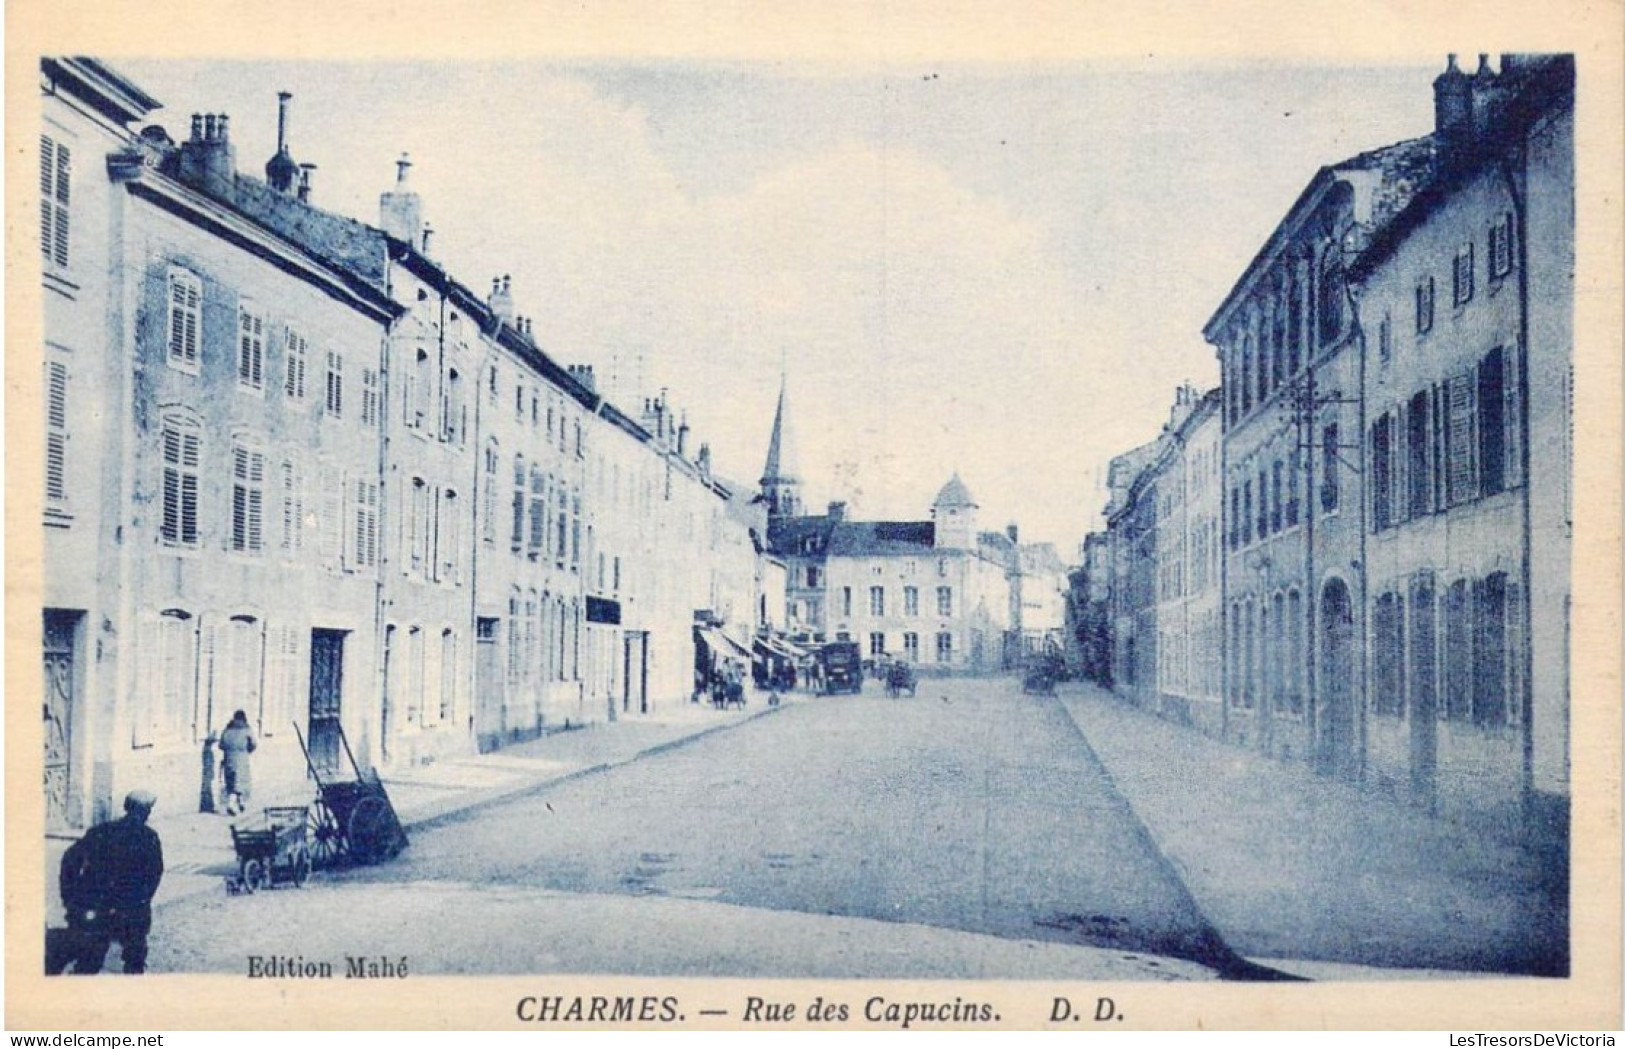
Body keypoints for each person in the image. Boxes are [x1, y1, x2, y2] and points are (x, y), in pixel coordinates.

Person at [56, 790, 164, 974]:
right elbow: (155, 873)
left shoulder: (101, 831)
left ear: (125, 807)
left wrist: (70, 896)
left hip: (98, 904)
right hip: (132, 908)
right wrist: (143, 898)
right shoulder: (149, 837)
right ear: (147, 812)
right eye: (147, 810)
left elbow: (70, 859)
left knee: (89, 961)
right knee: (134, 960)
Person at [217, 710, 257, 816]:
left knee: (231, 782)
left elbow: (221, 745)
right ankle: (231, 804)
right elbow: (253, 744)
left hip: (228, 759)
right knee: (240, 783)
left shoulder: (227, 730)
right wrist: (247, 750)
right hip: (242, 760)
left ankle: (241, 803)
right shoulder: (247, 730)